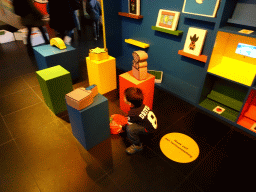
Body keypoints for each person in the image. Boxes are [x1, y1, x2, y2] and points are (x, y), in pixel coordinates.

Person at [123, 87, 158, 154]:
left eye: (124, 97)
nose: (123, 97)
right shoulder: (142, 106)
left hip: (149, 130)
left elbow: (128, 125)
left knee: (130, 129)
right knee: (131, 122)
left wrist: (122, 127)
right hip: (153, 126)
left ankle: (137, 146)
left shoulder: (132, 113)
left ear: (130, 103)